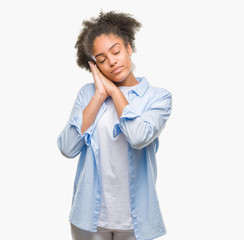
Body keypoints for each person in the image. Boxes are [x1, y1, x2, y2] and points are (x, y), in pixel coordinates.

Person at [57, 11, 172, 240]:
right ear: (95, 66)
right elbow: (67, 148)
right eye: (101, 59)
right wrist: (99, 96)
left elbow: (139, 137)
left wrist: (114, 91)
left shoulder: (158, 97)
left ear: (129, 48)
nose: (111, 61)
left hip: (135, 222)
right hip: (89, 219)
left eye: (116, 51)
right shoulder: (88, 94)